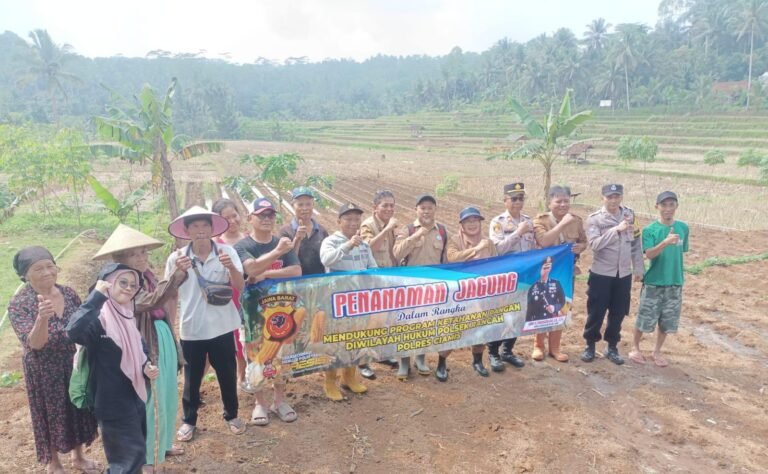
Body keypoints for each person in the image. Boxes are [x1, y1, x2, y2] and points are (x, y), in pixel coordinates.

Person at [92, 224, 189, 472]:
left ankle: (162, 444)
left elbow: (162, 301)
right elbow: (150, 301)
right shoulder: (121, 283)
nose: (142, 258)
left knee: (165, 393)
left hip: (161, 336)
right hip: (142, 344)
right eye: (135, 254)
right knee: (149, 398)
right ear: (120, 259)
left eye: (144, 252)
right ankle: (146, 456)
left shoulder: (147, 277)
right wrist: (176, 275)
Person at [8, 246, 100, 474]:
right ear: (24, 275)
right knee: (49, 413)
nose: (47, 272)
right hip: (43, 369)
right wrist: (42, 319)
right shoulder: (20, 303)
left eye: (50, 265)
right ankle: (54, 462)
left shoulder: (68, 293)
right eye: (38, 268)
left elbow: (84, 325)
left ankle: (78, 457)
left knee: (77, 407)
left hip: (73, 362)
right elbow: (35, 344)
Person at [67, 263, 159, 473]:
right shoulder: (98, 320)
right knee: (126, 460)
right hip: (112, 403)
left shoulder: (126, 316)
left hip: (135, 396)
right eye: (122, 282)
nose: (128, 288)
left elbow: (138, 350)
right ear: (108, 284)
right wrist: (96, 297)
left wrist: (147, 366)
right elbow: (72, 331)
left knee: (135, 454)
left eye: (133, 285)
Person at [165, 206, 247, 442]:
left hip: (222, 325)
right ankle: (189, 421)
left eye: (204, 226)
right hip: (192, 327)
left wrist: (230, 267)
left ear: (212, 229)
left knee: (227, 374)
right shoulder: (177, 258)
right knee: (191, 378)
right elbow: (170, 293)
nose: (200, 231)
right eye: (195, 226)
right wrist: (178, 274)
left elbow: (240, 286)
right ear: (187, 231)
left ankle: (232, 415)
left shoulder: (226, 252)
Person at [234, 198, 301, 425]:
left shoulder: (282, 241)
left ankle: (280, 400)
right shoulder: (242, 247)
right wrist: (277, 253)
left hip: (282, 312)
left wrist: (267, 274)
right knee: (256, 359)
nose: (266, 219)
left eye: (270, 215)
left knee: (281, 358)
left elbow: (295, 270)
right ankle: (260, 403)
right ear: (250, 218)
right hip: (253, 313)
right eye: (261, 215)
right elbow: (250, 268)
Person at [582, 184, 644, 365]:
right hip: (601, 273)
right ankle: (590, 345)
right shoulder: (595, 219)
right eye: (610, 197)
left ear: (622, 197)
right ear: (603, 198)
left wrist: (638, 268)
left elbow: (636, 243)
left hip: (623, 273)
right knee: (596, 311)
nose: (613, 200)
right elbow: (595, 245)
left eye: (617, 196)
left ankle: (612, 346)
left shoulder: (630, 215)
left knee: (618, 312)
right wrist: (616, 230)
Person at [319, 202, 376, 399]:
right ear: (339, 221)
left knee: (355, 340)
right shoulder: (331, 242)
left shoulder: (365, 245)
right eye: (348, 219)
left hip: (359, 302)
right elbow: (327, 260)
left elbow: (372, 269)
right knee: (336, 342)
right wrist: (349, 244)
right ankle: (330, 382)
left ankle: (349, 378)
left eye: (356, 219)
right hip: (337, 302)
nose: (353, 223)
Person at [393, 194, 451, 381]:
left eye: (430, 207)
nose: (426, 211)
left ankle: (420, 358)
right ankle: (404, 362)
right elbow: (397, 253)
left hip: (433, 287)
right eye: (422, 208)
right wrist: (417, 235)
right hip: (409, 287)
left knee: (425, 324)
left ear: (435, 210)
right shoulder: (408, 229)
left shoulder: (442, 231)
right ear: (416, 209)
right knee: (406, 324)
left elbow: (446, 259)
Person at [629, 191, 689, 367]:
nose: (668, 209)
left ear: (676, 206)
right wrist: (665, 242)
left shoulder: (683, 228)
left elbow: (682, 251)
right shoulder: (650, 230)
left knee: (667, 320)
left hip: (675, 281)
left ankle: (657, 351)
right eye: (664, 205)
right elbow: (649, 254)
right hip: (654, 282)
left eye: (672, 205)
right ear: (657, 207)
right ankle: (635, 347)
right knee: (644, 317)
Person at [532, 185, 587, 362]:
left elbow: (583, 241)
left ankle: (555, 348)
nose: (563, 205)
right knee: (542, 308)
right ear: (549, 202)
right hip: (545, 273)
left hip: (566, 273)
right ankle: (538, 346)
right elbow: (544, 241)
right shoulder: (540, 221)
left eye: (566, 201)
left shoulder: (577, 221)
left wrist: (581, 247)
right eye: (558, 201)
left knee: (561, 307)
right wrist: (563, 223)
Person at [487, 182, 535, 372]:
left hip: (524, 277)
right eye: (513, 199)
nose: (517, 202)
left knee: (518, 314)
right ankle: (493, 352)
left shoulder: (529, 221)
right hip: (505, 278)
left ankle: (508, 350)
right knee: (501, 315)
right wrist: (518, 233)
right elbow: (497, 249)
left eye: (521, 198)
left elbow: (534, 248)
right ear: (505, 201)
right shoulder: (497, 222)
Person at [446, 207, 498, 377]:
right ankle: (441, 363)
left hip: (482, 293)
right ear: (461, 225)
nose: (472, 224)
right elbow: (452, 258)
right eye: (468, 221)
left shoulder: (488, 242)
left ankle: (477, 361)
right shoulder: (454, 240)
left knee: (480, 329)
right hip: (459, 294)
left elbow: (497, 264)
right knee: (452, 332)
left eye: (475, 220)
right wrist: (476, 250)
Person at [359, 189, 399, 376]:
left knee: (384, 319)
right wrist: (388, 229)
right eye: (385, 205)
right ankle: (363, 362)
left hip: (387, 278)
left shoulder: (388, 225)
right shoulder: (368, 225)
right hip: (371, 280)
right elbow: (370, 247)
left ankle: (382, 354)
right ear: (375, 208)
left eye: (392, 205)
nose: (389, 209)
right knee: (369, 321)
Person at [212, 198, 250, 393]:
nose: (232, 221)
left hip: (250, 294)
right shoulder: (215, 245)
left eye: (234, 216)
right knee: (233, 337)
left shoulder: (250, 238)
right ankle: (238, 375)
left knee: (248, 335)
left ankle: (247, 375)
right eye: (226, 218)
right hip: (227, 297)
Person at [278, 186, 329, 276]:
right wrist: (297, 239)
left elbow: (327, 258)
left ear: (313, 205)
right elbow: (285, 262)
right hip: (296, 284)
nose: (305, 208)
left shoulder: (322, 231)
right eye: (300, 205)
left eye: (308, 204)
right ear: (293, 205)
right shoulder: (285, 232)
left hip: (320, 282)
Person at [525, 256, 566, 323]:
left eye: (549, 263)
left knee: (555, 332)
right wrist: (527, 323)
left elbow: (562, 301)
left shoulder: (556, 283)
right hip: (538, 322)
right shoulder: (533, 287)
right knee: (541, 334)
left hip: (553, 319)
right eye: (545, 264)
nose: (546, 266)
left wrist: (554, 308)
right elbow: (530, 309)